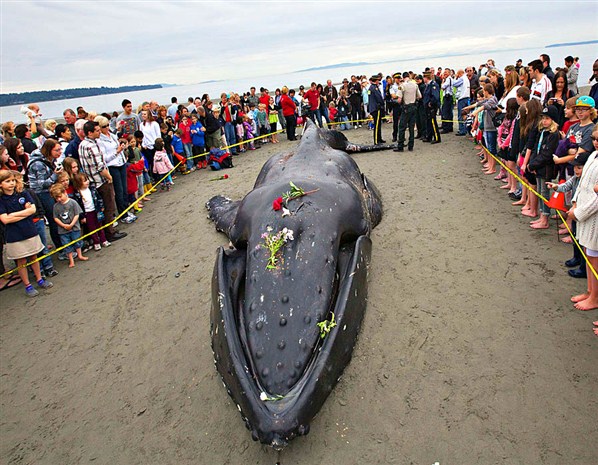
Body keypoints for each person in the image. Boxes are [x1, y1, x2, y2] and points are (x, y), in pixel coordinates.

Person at [0, 170, 53, 297]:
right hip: (14, 235)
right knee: (21, 261)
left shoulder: (22, 194)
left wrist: (13, 215)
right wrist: (24, 213)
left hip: (29, 230)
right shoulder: (1, 200)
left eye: (13, 180)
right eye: (7, 181)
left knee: (34, 256)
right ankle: (27, 285)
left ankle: (40, 279)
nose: (11, 183)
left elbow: (33, 210)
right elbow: (5, 219)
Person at [78, 121, 126, 242]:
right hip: (100, 181)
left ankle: (106, 232)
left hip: (92, 181)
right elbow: (99, 166)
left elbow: (102, 160)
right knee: (109, 206)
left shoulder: (83, 144)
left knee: (104, 207)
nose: (100, 132)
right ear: (90, 132)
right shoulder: (91, 146)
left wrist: (116, 152)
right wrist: (109, 177)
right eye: (97, 130)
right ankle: (110, 232)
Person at [569, 124, 598, 311]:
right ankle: (589, 291)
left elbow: (597, 198)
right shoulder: (592, 156)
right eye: (594, 139)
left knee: (594, 258)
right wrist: (574, 202)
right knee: (588, 254)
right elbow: (581, 184)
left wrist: (578, 213)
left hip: (593, 217)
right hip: (584, 214)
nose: (595, 143)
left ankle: (595, 297)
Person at [96, 116, 135, 224]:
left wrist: (122, 148)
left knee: (124, 189)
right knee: (119, 191)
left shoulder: (111, 135)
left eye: (108, 125)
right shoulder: (100, 141)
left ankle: (126, 211)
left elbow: (117, 140)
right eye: (104, 126)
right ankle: (123, 214)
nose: (107, 128)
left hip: (121, 163)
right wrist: (117, 152)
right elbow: (104, 158)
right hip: (113, 166)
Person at [27, 139, 64, 251]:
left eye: (60, 149)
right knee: (53, 220)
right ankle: (60, 248)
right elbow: (41, 183)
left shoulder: (49, 159)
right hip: (42, 194)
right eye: (57, 150)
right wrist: (55, 175)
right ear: (49, 150)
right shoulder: (38, 164)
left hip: (49, 191)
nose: (60, 152)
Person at [527, 105, 559, 229]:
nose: (544, 121)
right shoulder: (542, 132)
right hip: (538, 166)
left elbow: (547, 154)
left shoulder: (553, 134)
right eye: (543, 118)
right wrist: (532, 163)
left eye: (547, 119)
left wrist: (533, 164)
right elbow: (536, 148)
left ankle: (545, 218)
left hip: (546, 168)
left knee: (544, 192)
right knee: (540, 191)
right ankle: (541, 216)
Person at [50, 183, 88, 268]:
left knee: (77, 242)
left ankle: (80, 255)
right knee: (67, 245)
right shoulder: (56, 206)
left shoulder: (73, 202)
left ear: (65, 192)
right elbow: (55, 218)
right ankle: (71, 260)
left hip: (74, 227)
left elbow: (77, 214)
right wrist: (63, 225)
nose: (59, 199)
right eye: (56, 198)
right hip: (63, 230)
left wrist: (71, 224)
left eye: (60, 196)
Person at [72, 172, 110, 251]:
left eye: (87, 179)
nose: (87, 181)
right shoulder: (77, 194)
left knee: (100, 225)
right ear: (79, 183)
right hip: (87, 213)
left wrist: (101, 206)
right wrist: (82, 217)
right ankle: (96, 242)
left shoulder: (92, 189)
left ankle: (103, 240)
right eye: (85, 180)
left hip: (96, 210)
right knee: (92, 228)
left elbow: (98, 197)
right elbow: (78, 207)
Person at [394, 72, 421, 152]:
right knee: (411, 127)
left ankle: (400, 146)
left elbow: (399, 99)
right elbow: (419, 96)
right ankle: (411, 146)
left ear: (403, 77)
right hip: (413, 107)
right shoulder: (415, 85)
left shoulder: (402, 86)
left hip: (406, 108)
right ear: (409, 77)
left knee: (402, 127)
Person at [422, 72, 441, 144]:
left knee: (433, 122)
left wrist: (431, 103)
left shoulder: (433, 85)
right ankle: (429, 136)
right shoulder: (428, 85)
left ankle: (437, 137)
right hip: (427, 106)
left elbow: (435, 96)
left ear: (426, 78)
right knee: (428, 122)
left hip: (432, 107)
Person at [367, 76, 385, 144]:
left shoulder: (371, 88)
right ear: (376, 80)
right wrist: (382, 103)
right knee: (377, 125)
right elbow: (379, 98)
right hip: (376, 108)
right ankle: (377, 140)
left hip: (374, 108)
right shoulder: (374, 88)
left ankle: (379, 138)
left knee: (378, 124)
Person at [454, 69, 471, 136]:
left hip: (462, 98)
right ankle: (466, 129)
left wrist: (456, 77)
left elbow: (454, 84)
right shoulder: (466, 79)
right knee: (466, 114)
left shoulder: (462, 79)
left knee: (461, 114)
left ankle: (462, 130)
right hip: (466, 97)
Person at [440, 68, 455, 133]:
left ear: (449, 73)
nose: (444, 73)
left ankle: (446, 128)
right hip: (448, 97)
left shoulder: (448, 79)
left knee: (445, 113)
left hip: (448, 97)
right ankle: (448, 127)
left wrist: (442, 82)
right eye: (444, 72)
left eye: (446, 72)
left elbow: (443, 87)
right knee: (448, 113)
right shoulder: (449, 79)